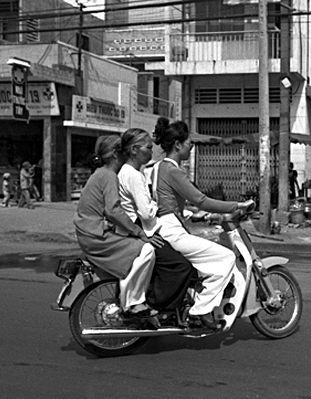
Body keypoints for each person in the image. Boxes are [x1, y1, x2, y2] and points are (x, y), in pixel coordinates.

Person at [151, 117, 253, 329]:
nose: (192, 147)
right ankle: (201, 310)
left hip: (164, 225)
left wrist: (197, 215)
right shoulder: (173, 171)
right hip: (172, 231)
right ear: (178, 145)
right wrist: (236, 206)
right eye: (190, 143)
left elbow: (168, 203)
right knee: (226, 257)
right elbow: (201, 199)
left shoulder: (156, 168)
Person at [74, 135, 163, 318]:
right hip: (95, 236)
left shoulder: (100, 174)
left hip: (90, 233)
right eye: (123, 150)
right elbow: (113, 210)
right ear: (116, 154)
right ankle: (133, 303)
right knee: (146, 249)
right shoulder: (108, 176)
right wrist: (139, 232)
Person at [118, 128, 195, 310]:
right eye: (147, 148)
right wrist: (157, 207)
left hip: (136, 228)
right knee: (181, 266)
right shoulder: (134, 175)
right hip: (142, 230)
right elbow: (145, 212)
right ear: (134, 149)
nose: (151, 152)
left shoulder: (128, 171)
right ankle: (158, 307)